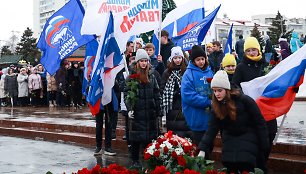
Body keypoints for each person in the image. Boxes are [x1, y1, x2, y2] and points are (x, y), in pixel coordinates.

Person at [198, 70, 269, 173]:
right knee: (230, 167)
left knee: (247, 167)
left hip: (248, 140)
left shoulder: (245, 100)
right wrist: (202, 149)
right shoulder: (216, 106)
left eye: (219, 90)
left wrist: (264, 147)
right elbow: (211, 129)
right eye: (214, 91)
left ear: (227, 89)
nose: (216, 94)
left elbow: (260, 123)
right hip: (230, 142)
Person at [232, 37, 275, 173]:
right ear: (244, 52)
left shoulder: (266, 65)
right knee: (257, 142)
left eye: (254, 50)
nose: (251, 53)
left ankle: (262, 164)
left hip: (267, 110)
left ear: (258, 50)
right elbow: (234, 86)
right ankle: (259, 168)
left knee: (269, 137)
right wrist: (244, 96)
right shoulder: (241, 67)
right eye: (248, 50)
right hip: (250, 112)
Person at [124, 49, 162, 168]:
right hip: (138, 113)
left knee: (149, 140)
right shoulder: (132, 77)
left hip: (150, 113)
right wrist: (129, 108)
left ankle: (149, 160)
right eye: (142, 61)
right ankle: (135, 160)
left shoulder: (152, 75)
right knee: (136, 139)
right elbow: (126, 93)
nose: (144, 63)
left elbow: (156, 93)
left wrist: (159, 109)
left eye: (146, 61)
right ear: (137, 62)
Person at [181, 45, 214, 146]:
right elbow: (188, 95)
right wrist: (207, 102)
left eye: (202, 59)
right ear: (193, 61)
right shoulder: (188, 74)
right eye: (198, 59)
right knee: (200, 145)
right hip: (196, 115)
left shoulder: (210, 71)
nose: (201, 62)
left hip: (209, 115)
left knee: (209, 145)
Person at [160, 46, 191, 138]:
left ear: (183, 58)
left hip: (185, 105)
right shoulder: (167, 72)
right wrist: (174, 93)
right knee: (174, 134)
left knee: (185, 132)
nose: (177, 60)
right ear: (172, 59)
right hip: (171, 106)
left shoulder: (187, 71)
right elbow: (162, 88)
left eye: (179, 58)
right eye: (175, 58)